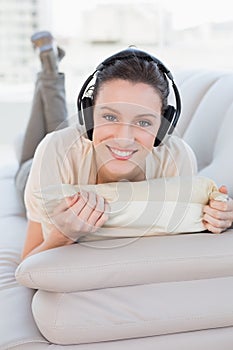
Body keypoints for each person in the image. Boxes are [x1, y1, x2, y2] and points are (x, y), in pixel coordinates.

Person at [18, 31, 233, 261]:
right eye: (110, 117)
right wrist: (62, 236)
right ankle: (48, 73)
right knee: (42, 138)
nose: (124, 138)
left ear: (162, 128)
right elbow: (28, 262)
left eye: (143, 122)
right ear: (89, 117)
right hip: (35, 170)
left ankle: (50, 68)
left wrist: (217, 217)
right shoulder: (55, 150)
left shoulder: (177, 157)